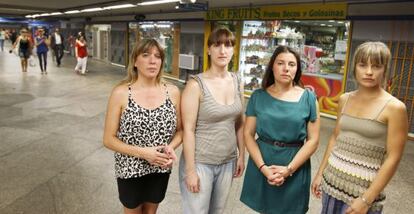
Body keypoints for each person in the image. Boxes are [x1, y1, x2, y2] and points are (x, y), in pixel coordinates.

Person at [311, 41, 408, 214]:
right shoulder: (344, 99)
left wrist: (366, 199)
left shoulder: (395, 107)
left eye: (376, 66)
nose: (369, 72)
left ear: (385, 70)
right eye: (363, 65)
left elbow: (393, 158)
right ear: (354, 67)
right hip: (332, 183)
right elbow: (335, 137)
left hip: (362, 195)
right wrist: (320, 173)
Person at [103, 38, 182, 214]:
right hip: (129, 168)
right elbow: (108, 139)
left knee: (151, 211)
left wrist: (170, 147)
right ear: (135, 61)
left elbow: (181, 131)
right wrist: (144, 153)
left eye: (157, 56)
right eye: (146, 55)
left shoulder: (173, 92)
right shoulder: (121, 93)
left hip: (160, 167)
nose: (153, 61)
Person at [240, 45, 320, 214]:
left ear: (297, 69)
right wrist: (263, 168)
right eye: (280, 63)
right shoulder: (258, 96)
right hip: (263, 163)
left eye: (291, 64)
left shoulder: (309, 98)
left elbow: (313, 140)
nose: (286, 68)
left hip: (295, 165)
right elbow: (248, 134)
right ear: (272, 66)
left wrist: (288, 170)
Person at [179, 27, 245, 214]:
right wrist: (190, 171)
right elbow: (188, 130)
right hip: (200, 163)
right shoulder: (195, 85)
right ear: (208, 50)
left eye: (228, 45)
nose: (223, 50)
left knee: (217, 211)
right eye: (217, 45)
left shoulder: (237, 81)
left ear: (233, 49)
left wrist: (241, 155)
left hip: (227, 162)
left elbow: (240, 123)